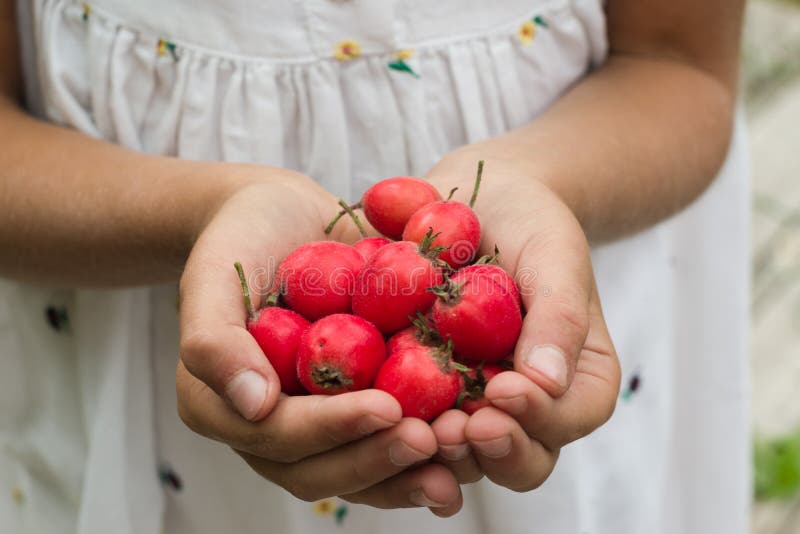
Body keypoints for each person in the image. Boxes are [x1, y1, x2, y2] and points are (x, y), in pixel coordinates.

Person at [0, 0, 749, 533]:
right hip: (134, 388)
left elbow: (679, 64)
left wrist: (536, 184)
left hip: (566, 292)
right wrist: (202, 210)